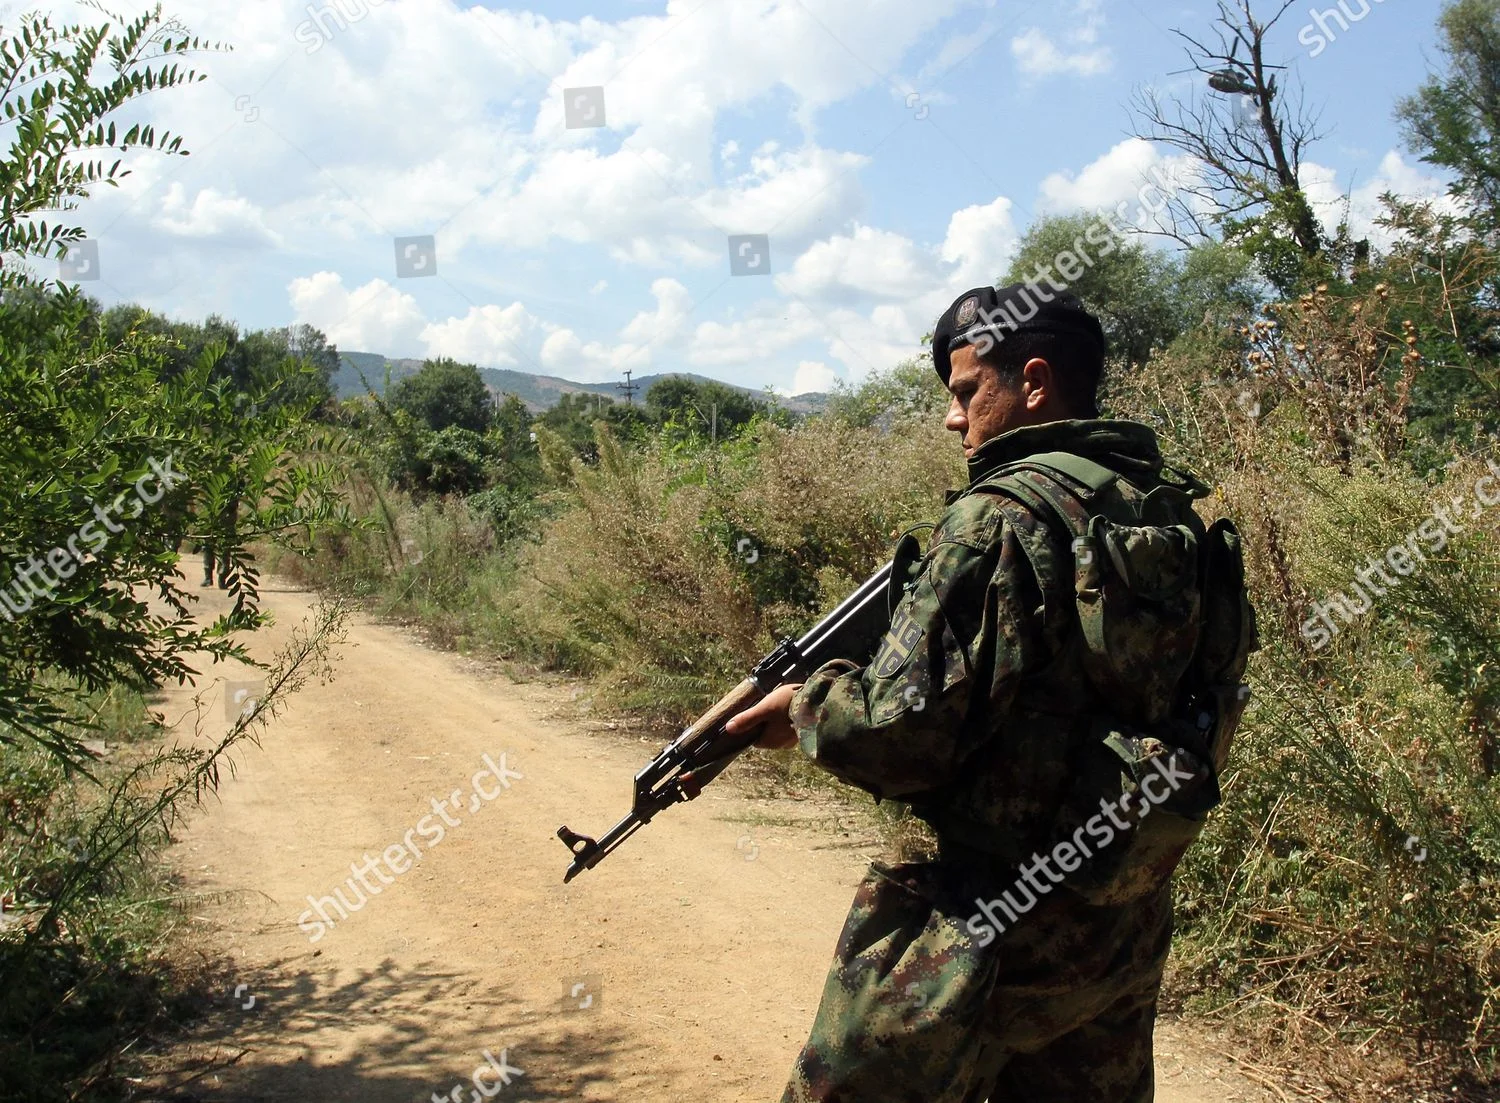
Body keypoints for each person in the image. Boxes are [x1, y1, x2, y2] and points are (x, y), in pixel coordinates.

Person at [724, 285, 1253, 1103]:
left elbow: (895, 734)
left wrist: (805, 702)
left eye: (967, 391)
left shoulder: (1000, 520)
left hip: (988, 928)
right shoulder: (1164, 513)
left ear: (1033, 382)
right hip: (1117, 919)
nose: (951, 417)